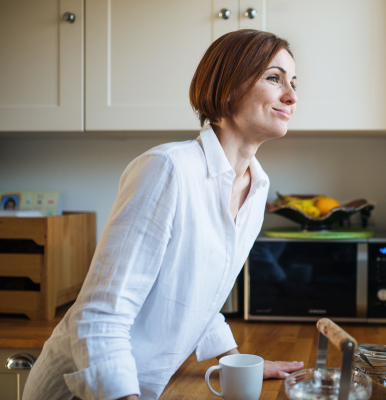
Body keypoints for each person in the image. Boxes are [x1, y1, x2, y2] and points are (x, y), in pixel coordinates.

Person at [23, 29, 301, 400]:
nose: (291, 96)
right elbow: (100, 316)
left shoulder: (257, 187)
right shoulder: (167, 168)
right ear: (229, 85)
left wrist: (238, 361)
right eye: (274, 78)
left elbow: (200, 295)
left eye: (294, 83)